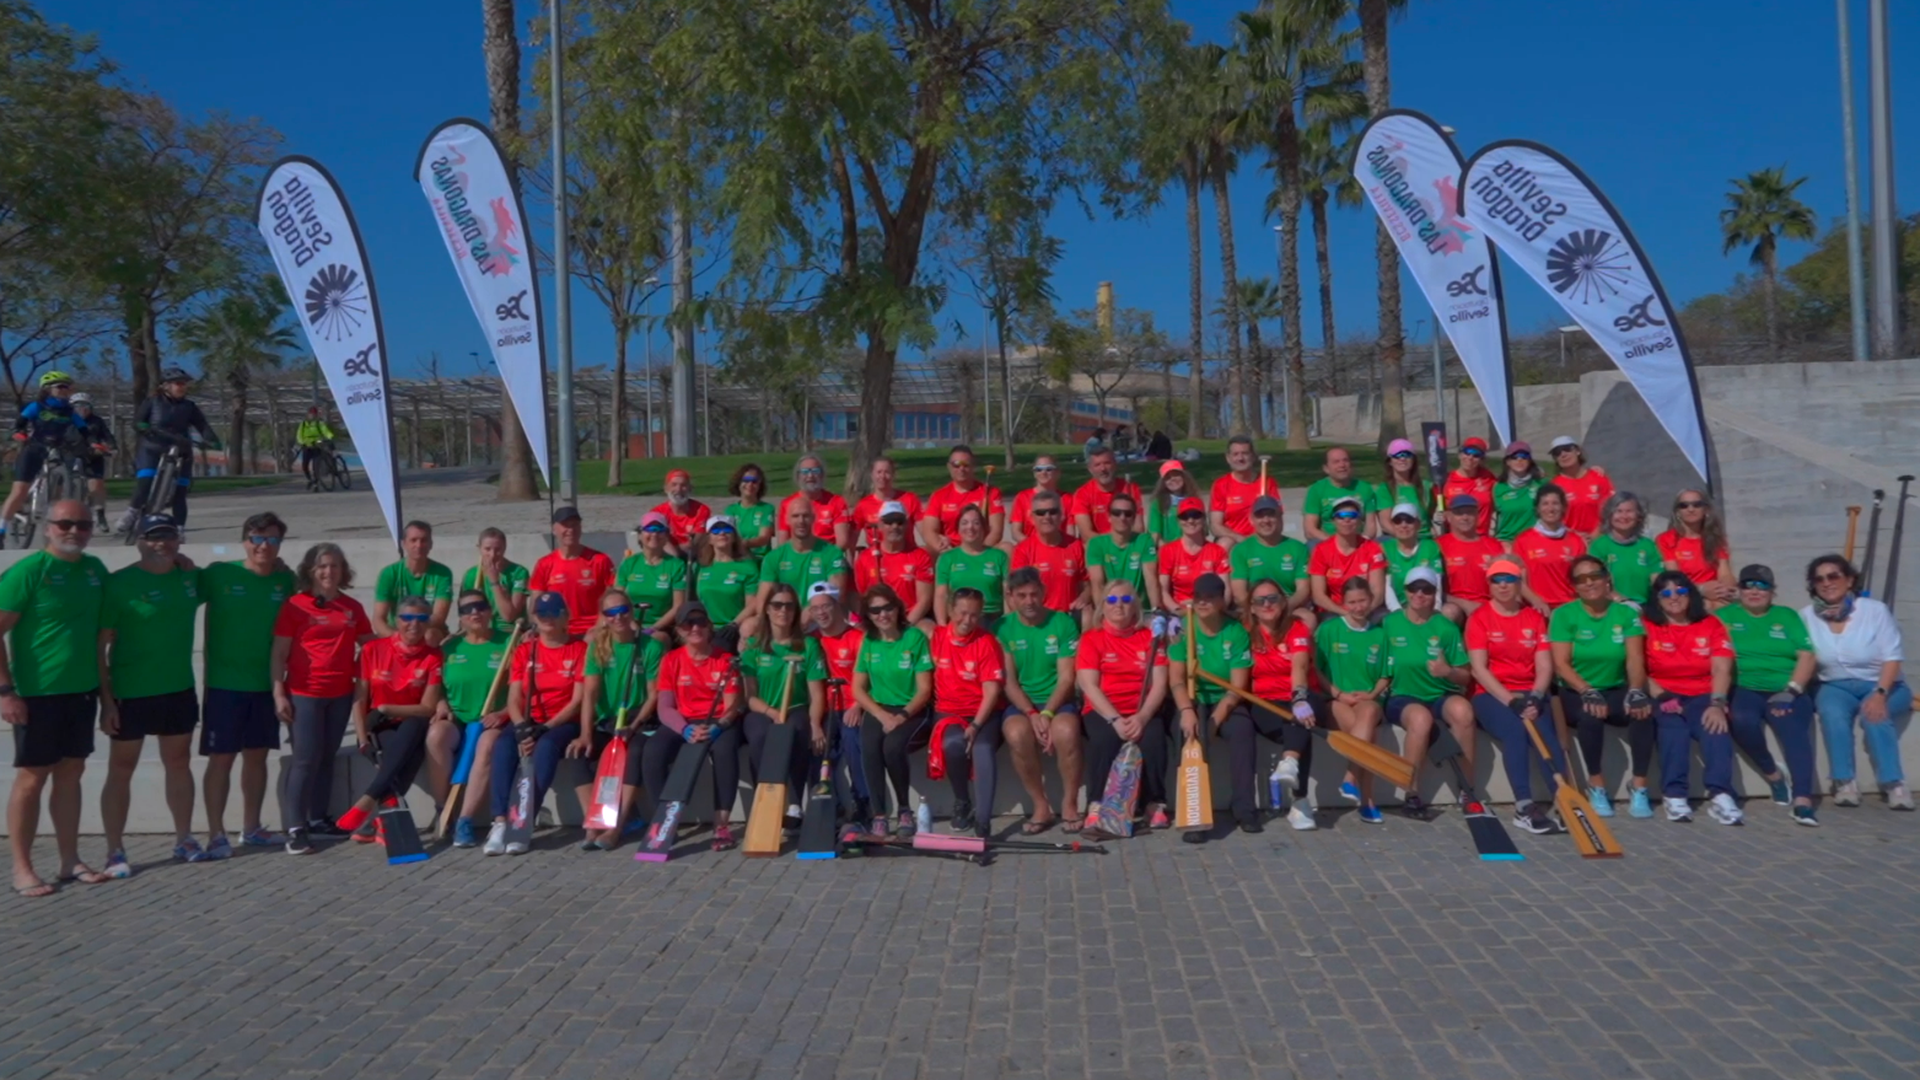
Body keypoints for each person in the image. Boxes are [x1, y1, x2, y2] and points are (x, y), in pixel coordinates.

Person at [2, 498, 110, 897]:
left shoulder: (95, 570)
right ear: (47, 527)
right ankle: (22, 868)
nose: (73, 531)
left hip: (81, 691)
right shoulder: (30, 571)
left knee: (71, 774)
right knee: (32, 778)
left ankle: (69, 860)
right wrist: (6, 692)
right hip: (36, 694)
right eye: (64, 523)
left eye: (82, 525)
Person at [97, 513, 205, 873]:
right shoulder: (119, 584)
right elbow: (100, 648)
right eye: (154, 537)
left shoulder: (190, 577)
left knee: (179, 763)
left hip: (178, 688)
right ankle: (115, 851)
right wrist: (107, 700)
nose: (163, 544)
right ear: (140, 542)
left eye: (169, 537)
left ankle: (184, 839)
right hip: (131, 691)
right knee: (121, 769)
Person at [197, 513, 295, 854]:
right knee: (221, 759)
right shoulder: (219, 574)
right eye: (256, 538)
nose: (263, 545)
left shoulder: (285, 581)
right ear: (244, 541)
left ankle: (251, 828)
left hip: (266, 685)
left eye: (271, 539)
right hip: (224, 685)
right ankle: (215, 833)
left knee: (256, 757)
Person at [271, 542, 375, 854]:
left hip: (340, 692)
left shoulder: (351, 608)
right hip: (304, 693)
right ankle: (295, 828)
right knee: (305, 759)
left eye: (335, 566)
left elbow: (369, 644)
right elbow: (278, 652)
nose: (329, 572)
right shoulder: (295, 605)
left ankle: (318, 819)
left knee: (327, 756)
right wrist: (279, 693)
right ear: (311, 570)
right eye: (323, 566)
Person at [1465, 555, 1569, 836]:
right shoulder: (1479, 619)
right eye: (1496, 580)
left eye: (1509, 580)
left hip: (1530, 692)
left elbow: (1544, 665)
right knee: (1515, 731)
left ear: (1518, 584)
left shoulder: (1533, 618)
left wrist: (1535, 696)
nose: (1502, 586)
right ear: (1489, 585)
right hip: (1492, 694)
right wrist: (1512, 701)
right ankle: (1524, 806)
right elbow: (1478, 669)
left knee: (1547, 735)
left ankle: (1564, 799)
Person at [332, 595, 446, 845]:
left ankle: (367, 801)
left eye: (421, 618)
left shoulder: (433, 657)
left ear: (428, 623)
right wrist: (362, 741)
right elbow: (359, 699)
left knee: (414, 730)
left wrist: (385, 706)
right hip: (380, 725)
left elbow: (427, 708)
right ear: (396, 620)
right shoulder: (373, 650)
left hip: (411, 721)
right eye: (407, 618)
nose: (413, 624)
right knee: (409, 752)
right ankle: (380, 822)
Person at [1800, 554, 1911, 810]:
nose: (1826, 583)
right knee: (1831, 713)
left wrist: (1880, 693)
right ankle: (1844, 781)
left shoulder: (1874, 610)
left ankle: (1894, 783)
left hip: (1884, 683)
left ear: (1849, 580)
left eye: (1833, 576)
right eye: (1819, 579)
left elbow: (1893, 657)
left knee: (1875, 715)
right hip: (1835, 685)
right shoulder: (1806, 617)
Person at [1548, 554, 1655, 819]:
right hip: (1575, 690)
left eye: (1595, 576)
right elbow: (1561, 664)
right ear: (1574, 586)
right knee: (1590, 716)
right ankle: (1596, 785)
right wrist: (1586, 690)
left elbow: (1635, 659)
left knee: (1643, 713)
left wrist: (1637, 690)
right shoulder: (1564, 615)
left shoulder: (1625, 614)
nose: (1589, 583)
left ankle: (1639, 786)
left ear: (1607, 579)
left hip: (1615, 687)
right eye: (1581, 579)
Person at [482, 591, 587, 855]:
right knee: (503, 746)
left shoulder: (579, 649)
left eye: (555, 613)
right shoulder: (526, 650)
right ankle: (500, 822)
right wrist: (519, 727)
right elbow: (515, 696)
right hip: (528, 718)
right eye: (542, 614)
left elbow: (576, 701)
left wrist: (545, 728)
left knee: (546, 748)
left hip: (561, 722)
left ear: (566, 617)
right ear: (535, 619)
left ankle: (523, 821)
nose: (548, 619)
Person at [1716, 565, 1819, 825]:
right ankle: (1773, 774)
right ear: (1738, 590)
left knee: (1794, 731)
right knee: (1740, 721)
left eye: (1762, 586)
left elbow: (1807, 655)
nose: (1754, 591)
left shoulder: (1787, 616)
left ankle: (1803, 800)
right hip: (1745, 687)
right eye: (1748, 585)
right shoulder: (1723, 616)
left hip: (1785, 688)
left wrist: (1792, 690)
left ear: (1772, 592)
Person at [637, 603, 745, 850]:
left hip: (718, 722)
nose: (695, 628)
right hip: (684, 721)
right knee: (652, 751)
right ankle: (663, 822)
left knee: (724, 751)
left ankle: (722, 825)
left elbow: (733, 707)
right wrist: (684, 729)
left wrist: (719, 726)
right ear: (680, 630)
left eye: (700, 622)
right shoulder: (672, 660)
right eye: (688, 623)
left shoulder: (725, 660)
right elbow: (664, 707)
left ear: (709, 627)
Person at [1641, 570, 1742, 825]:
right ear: (1657, 599)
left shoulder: (1710, 624)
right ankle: (1674, 795)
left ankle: (1720, 794)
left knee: (1715, 728)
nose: (1674, 597)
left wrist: (1718, 703)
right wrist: (1660, 694)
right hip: (1662, 693)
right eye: (1666, 593)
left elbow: (1721, 667)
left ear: (1691, 595)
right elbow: (1636, 668)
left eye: (1681, 591)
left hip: (1702, 694)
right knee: (1673, 729)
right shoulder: (1646, 625)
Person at [1076, 584, 1171, 835]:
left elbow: (1160, 684)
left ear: (1136, 606)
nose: (1119, 604)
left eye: (1126, 598)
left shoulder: (1150, 638)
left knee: (1153, 738)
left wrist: (1142, 716)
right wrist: (1115, 719)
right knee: (1103, 739)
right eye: (1112, 599)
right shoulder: (1091, 639)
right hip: (1104, 710)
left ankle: (1154, 802)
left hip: (1141, 709)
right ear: (1103, 606)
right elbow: (1089, 685)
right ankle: (1097, 804)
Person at [1381, 567, 1474, 818]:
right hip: (1402, 695)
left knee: (1463, 711)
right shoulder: (1390, 623)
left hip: (1438, 693)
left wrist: (1447, 672)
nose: (1419, 594)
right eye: (1414, 588)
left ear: (1435, 593)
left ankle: (1467, 790)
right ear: (1405, 592)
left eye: (1427, 589)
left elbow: (1465, 674)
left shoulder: (1445, 628)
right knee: (1420, 718)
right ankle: (1411, 793)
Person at [738, 583, 827, 847]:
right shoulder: (754, 647)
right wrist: (771, 711)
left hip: (797, 708)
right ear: (766, 610)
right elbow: (749, 695)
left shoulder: (808, 646)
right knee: (760, 736)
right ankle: (764, 802)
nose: (783, 610)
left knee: (797, 731)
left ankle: (794, 805)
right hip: (762, 709)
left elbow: (817, 694)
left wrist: (815, 724)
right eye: (777, 605)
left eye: (789, 605)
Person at [995, 569, 1083, 834]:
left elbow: (1067, 678)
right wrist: (1032, 713)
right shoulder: (1002, 627)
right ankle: (1040, 805)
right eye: (1022, 595)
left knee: (1066, 731)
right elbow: (1008, 681)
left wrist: (1047, 713)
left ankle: (1069, 803)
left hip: (1057, 700)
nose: (1029, 601)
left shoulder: (1063, 623)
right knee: (1016, 732)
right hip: (1022, 702)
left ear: (1044, 593)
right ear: (1011, 597)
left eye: (1034, 594)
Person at [1167, 574, 1253, 838]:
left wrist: (1216, 719)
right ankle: (1194, 816)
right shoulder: (1183, 629)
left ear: (1221, 600)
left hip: (1226, 698)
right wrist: (1187, 711)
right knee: (1189, 735)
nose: (1203, 603)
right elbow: (1177, 681)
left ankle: (1245, 810)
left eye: (1210, 597)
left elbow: (1237, 687)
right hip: (1193, 698)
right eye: (1198, 598)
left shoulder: (1235, 631)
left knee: (1242, 732)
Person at [578, 588, 664, 849]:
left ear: (631, 612)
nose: (618, 617)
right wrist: (585, 733)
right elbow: (590, 695)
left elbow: (653, 695)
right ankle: (594, 820)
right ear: (603, 617)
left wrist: (634, 725)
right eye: (611, 612)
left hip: (639, 719)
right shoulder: (598, 647)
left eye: (623, 610)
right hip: (608, 719)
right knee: (579, 754)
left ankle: (617, 825)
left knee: (635, 752)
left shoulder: (650, 646)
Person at [1236, 577, 1321, 831]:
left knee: (1302, 716)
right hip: (1263, 701)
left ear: (1284, 602)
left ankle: (1290, 763)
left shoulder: (1297, 628)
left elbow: (1300, 665)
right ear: (1251, 607)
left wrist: (1299, 697)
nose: (1267, 605)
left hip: (1299, 694)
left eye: (1273, 598)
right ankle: (1300, 801)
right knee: (1297, 725)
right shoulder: (1244, 631)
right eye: (1260, 601)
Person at [852, 584, 934, 836]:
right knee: (868, 746)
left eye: (887, 608)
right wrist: (880, 714)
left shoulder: (914, 638)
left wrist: (901, 716)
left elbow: (924, 690)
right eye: (875, 611)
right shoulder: (869, 641)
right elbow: (857, 688)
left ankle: (904, 809)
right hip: (881, 708)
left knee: (892, 746)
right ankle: (879, 814)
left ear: (898, 609)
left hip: (912, 709)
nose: (882, 615)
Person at [926, 588, 1006, 835]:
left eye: (974, 615)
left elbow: (992, 692)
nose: (967, 620)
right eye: (962, 613)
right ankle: (962, 801)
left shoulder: (986, 642)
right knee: (953, 744)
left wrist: (976, 726)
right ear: (950, 610)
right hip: (949, 711)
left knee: (982, 748)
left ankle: (983, 821)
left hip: (983, 713)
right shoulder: (936, 637)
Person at [1313, 578, 1390, 822]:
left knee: (1367, 713)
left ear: (1371, 601)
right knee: (1370, 736)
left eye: (1362, 601)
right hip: (1336, 699)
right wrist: (1338, 693)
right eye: (1352, 602)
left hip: (1368, 698)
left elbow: (1386, 674)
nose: (1358, 607)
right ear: (1343, 603)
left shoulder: (1380, 634)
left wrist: (1371, 694)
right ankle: (1367, 802)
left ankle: (1350, 776)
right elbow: (1316, 669)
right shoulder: (1329, 630)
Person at [443, 589, 515, 847]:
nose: (474, 612)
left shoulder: (509, 642)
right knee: (436, 737)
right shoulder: (449, 647)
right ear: (460, 618)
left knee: (486, 746)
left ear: (489, 610)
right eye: (466, 609)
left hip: (492, 719)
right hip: (458, 718)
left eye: (480, 606)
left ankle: (464, 819)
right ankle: (445, 808)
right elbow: (435, 687)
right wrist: (441, 703)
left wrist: (505, 712)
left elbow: (523, 689)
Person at [117, 366, 219, 533]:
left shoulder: (189, 406)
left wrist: (212, 440)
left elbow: (202, 425)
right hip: (152, 447)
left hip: (181, 450)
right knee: (145, 481)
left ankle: (179, 530)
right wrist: (143, 427)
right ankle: (132, 512)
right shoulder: (152, 402)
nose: (183, 387)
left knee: (181, 491)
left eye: (185, 384)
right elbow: (138, 421)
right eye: (178, 383)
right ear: (165, 386)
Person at [3, 372, 93, 544]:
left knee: (59, 489)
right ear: (47, 389)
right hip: (34, 449)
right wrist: (18, 433)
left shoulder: (69, 411)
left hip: (57, 448)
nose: (66, 390)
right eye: (60, 386)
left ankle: (52, 524)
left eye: (68, 387)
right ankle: (2, 528)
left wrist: (94, 443)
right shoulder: (37, 406)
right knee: (20, 491)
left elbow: (84, 430)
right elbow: (19, 424)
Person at [809, 583, 868, 822]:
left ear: (837, 606)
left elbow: (869, 679)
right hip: (826, 707)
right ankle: (826, 804)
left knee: (854, 740)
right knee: (816, 746)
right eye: (815, 608)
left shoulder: (858, 638)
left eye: (826, 606)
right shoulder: (811, 640)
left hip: (853, 705)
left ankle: (862, 801)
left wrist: (858, 705)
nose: (821, 613)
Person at [529, 506, 616, 636]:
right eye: (565, 525)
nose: (570, 530)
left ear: (580, 528)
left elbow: (614, 598)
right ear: (554, 529)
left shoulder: (600, 560)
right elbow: (535, 606)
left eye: (575, 525)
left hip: (592, 630)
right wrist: (537, 628)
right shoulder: (544, 564)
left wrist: (601, 625)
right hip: (558, 630)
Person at [758, 498, 852, 615]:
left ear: (814, 518)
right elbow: (763, 600)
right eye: (795, 516)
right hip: (786, 619)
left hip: (821, 619)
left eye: (806, 516)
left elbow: (836, 594)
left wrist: (805, 617)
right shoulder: (773, 557)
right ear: (787, 520)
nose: (801, 521)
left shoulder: (832, 553)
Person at [853, 502, 934, 628]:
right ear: (880, 525)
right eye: (889, 522)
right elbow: (862, 597)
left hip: (910, 619)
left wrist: (904, 626)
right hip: (877, 619)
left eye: (899, 522)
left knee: (930, 631)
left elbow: (924, 601)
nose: (895, 526)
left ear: (907, 524)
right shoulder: (865, 558)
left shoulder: (920, 556)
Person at [1010, 491, 1090, 618]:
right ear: (1032, 517)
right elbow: (1016, 593)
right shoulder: (1023, 550)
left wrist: (1084, 597)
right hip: (1038, 618)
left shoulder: (1075, 546)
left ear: (1061, 515)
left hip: (1068, 616)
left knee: (1088, 614)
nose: (1047, 517)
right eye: (1041, 513)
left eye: (1053, 512)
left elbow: (1086, 585)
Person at [1230, 495, 1310, 615]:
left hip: (1288, 606)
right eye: (1260, 516)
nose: (1266, 520)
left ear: (1280, 518)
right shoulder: (1241, 550)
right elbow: (1239, 593)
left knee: (1308, 619)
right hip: (1255, 608)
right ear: (1251, 520)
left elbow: (1303, 590)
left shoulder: (1298, 548)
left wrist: (1284, 607)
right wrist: (1258, 609)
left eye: (1271, 515)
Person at [373, 520, 454, 641]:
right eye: (413, 540)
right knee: (369, 648)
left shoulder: (442, 573)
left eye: (424, 540)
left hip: (427, 629)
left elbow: (438, 617)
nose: (419, 545)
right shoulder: (389, 573)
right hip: (398, 630)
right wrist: (400, 637)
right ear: (403, 543)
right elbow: (378, 619)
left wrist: (414, 631)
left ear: (431, 544)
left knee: (431, 636)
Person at [1308, 496, 1386, 619]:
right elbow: (1318, 595)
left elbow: (1378, 592)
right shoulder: (1321, 550)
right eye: (1341, 516)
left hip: (1366, 609)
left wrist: (1363, 612)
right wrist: (1347, 614)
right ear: (1333, 521)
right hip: (1334, 611)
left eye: (1353, 515)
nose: (1347, 520)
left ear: (1360, 521)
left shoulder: (1372, 548)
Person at [1513, 485, 1585, 614]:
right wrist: (1536, 601)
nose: (1550, 509)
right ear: (1538, 509)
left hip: (1569, 608)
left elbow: (1582, 579)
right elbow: (1518, 580)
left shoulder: (1576, 540)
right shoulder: (1523, 540)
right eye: (1545, 504)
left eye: (1555, 503)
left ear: (1563, 508)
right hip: (1537, 608)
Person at [934, 504, 1009, 627]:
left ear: (984, 528)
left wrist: (1008, 622)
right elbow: (941, 595)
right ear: (958, 528)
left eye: (976, 523)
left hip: (992, 617)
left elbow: (1008, 593)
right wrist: (942, 625)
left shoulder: (999, 556)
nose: (970, 527)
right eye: (964, 523)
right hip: (960, 618)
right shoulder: (947, 558)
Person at [617, 511, 688, 640]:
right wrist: (632, 625)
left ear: (666, 536)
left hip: (662, 628)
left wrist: (653, 628)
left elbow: (678, 605)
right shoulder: (629, 563)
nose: (654, 534)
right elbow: (617, 599)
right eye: (649, 529)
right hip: (628, 624)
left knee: (657, 641)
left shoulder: (676, 565)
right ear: (640, 535)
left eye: (660, 529)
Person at [1087, 493, 1162, 615]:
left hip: (1139, 610)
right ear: (1109, 516)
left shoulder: (1144, 540)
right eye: (1117, 513)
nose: (1122, 517)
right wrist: (1103, 615)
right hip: (1111, 609)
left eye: (1128, 514)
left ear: (1133, 518)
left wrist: (1156, 611)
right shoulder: (1096, 544)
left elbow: (1151, 580)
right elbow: (1098, 584)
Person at [1658, 489, 1735, 606]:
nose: (1691, 509)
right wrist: (1702, 589)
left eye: (1697, 504)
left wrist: (1725, 589)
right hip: (1683, 595)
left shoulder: (1716, 538)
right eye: (1684, 505)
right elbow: (1675, 579)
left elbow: (1725, 574)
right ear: (1677, 512)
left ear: (1706, 509)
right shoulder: (1666, 539)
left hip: (1716, 595)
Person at [696, 516, 762, 651]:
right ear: (709, 538)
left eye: (727, 529)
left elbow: (753, 603)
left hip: (734, 628)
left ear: (733, 537)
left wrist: (734, 625)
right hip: (705, 628)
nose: (722, 533)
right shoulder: (701, 567)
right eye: (715, 530)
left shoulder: (747, 567)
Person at [1436, 493, 1505, 621]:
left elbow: (1503, 581)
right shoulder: (1439, 546)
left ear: (1478, 516)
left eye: (1470, 512)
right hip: (1455, 606)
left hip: (1488, 606)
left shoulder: (1493, 546)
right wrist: (1465, 604)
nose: (1465, 517)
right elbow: (1434, 589)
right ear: (1449, 517)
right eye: (1459, 513)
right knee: (1449, 612)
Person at [923, 444, 1004, 552]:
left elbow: (996, 531)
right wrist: (942, 547)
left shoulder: (991, 492)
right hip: (950, 549)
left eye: (966, 465)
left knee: (1006, 547)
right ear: (949, 467)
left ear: (973, 466)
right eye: (956, 465)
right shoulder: (939, 496)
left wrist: (978, 551)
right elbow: (929, 531)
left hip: (981, 548)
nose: (961, 469)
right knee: (926, 550)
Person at [1586, 492, 1662, 607]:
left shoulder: (1648, 545)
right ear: (1609, 515)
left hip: (1644, 606)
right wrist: (1621, 600)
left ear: (1638, 516)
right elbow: (1594, 582)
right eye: (1619, 511)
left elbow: (1657, 579)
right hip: (1612, 606)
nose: (1624, 516)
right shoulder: (1599, 546)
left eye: (1629, 511)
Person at [1208, 436, 1280, 548]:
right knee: (1224, 543)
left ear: (1253, 457)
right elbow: (1215, 525)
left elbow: (1278, 517)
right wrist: (1240, 538)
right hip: (1234, 539)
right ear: (1228, 458)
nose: (1240, 458)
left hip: (1262, 538)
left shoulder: (1267, 482)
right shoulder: (1221, 485)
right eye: (1235, 454)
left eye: (1245, 453)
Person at [1159, 496, 1229, 609]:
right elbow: (1162, 590)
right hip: (1180, 610)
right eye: (1185, 517)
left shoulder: (1217, 551)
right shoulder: (1168, 550)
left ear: (1203, 519)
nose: (1190, 521)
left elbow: (1226, 591)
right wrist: (1177, 610)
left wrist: (1215, 612)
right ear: (1178, 521)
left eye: (1196, 515)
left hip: (1209, 609)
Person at [459, 527, 529, 633]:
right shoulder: (471, 575)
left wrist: (494, 581)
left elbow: (509, 616)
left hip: (508, 630)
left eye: (498, 550)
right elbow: (465, 614)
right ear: (479, 548)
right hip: (480, 629)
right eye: (487, 549)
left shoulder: (519, 573)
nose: (492, 555)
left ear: (504, 548)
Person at [1303, 447, 1379, 542]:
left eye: (1345, 460)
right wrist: (1335, 545)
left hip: (1358, 541)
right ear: (1326, 469)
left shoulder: (1365, 488)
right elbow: (1310, 529)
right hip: (1326, 541)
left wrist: (1361, 543)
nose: (1342, 465)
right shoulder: (1316, 490)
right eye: (1336, 462)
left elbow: (1371, 526)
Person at [1380, 503, 1445, 612]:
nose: (1403, 525)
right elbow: (1387, 587)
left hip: (1426, 607)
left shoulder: (1430, 547)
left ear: (1418, 524)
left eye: (1409, 520)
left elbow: (1437, 582)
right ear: (1392, 524)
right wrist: (1398, 613)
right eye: (1398, 520)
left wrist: (1436, 609)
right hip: (1395, 608)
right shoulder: (1385, 549)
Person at [777, 454, 852, 549]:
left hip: (827, 556)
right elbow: (783, 543)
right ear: (798, 476)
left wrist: (824, 558)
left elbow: (842, 542)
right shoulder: (787, 504)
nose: (810, 476)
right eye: (805, 472)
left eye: (815, 471)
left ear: (822, 475)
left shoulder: (836, 502)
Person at [851, 457, 923, 549]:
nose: (882, 476)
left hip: (906, 555)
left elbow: (926, 533)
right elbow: (852, 540)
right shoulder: (863, 505)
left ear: (893, 475)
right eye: (879, 472)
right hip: (876, 557)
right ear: (872, 475)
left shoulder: (910, 499)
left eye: (887, 472)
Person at [1548, 436, 1613, 538]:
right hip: (1568, 541)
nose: (1563, 454)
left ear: (1577, 451)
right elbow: (1551, 518)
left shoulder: (1599, 477)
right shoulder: (1553, 486)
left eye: (1567, 449)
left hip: (1599, 540)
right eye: (1557, 453)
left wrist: (1595, 535)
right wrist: (1575, 537)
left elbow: (1611, 509)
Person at [67, 393, 114, 529]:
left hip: (92, 455)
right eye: (77, 406)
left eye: (85, 405)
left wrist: (111, 447)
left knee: (96, 485)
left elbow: (107, 436)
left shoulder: (97, 421)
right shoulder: (66, 421)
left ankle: (100, 515)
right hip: (70, 455)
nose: (82, 409)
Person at [1073, 447, 1141, 538]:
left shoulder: (1131, 489)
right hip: (1098, 547)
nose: (1103, 469)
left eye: (1107, 463)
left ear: (1115, 464)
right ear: (1090, 469)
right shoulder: (1082, 494)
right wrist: (1112, 546)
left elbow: (1138, 528)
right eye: (1097, 465)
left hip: (1127, 546)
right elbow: (1086, 534)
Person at [1374, 438, 1432, 537]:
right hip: (1398, 539)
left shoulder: (1427, 486)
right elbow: (1385, 523)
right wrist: (1406, 539)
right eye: (1397, 455)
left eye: (1407, 455)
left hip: (1425, 538)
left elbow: (1433, 516)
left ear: (1413, 460)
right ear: (1390, 461)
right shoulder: (1385, 489)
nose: (1402, 458)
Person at [1490, 441, 1545, 546]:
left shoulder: (1541, 483)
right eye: (1514, 457)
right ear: (1507, 461)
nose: (1519, 460)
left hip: (1534, 541)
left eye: (1524, 456)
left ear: (1530, 460)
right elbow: (1494, 517)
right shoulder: (1498, 487)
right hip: (1506, 542)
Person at [1440, 436, 1496, 537]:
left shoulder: (1488, 478)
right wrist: (1442, 513)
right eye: (1467, 452)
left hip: (1481, 537)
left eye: (1476, 455)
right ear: (1460, 455)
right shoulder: (1446, 480)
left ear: (1481, 460)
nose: (1470, 458)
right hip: (1455, 537)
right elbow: (1440, 506)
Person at [648, 469, 710, 557]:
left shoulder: (701, 510)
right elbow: (661, 541)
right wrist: (675, 557)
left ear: (690, 489)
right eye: (674, 485)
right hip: (668, 555)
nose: (678, 489)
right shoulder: (657, 513)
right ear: (666, 489)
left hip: (694, 554)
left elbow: (696, 542)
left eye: (683, 485)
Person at [1008, 455, 1067, 547]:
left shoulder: (1067, 498)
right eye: (1038, 469)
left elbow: (1070, 532)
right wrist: (1036, 547)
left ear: (1057, 473)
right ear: (1034, 473)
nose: (1043, 472)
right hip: (1030, 547)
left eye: (1049, 469)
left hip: (1059, 547)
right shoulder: (1022, 497)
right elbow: (1016, 532)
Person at [1146, 459, 1202, 545]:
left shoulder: (1194, 501)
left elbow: (1201, 532)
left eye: (1176, 475)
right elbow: (1155, 535)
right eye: (1168, 477)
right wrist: (1169, 551)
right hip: (1166, 548)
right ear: (1163, 482)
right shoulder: (1158, 503)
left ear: (1184, 477)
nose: (1173, 479)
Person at [726, 462, 778, 554]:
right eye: (746, 480)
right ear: (739, 483)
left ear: (759, 485)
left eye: (754, 481)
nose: (750, 484)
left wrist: (744, 543)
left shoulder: (767, 509)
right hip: (739, 557)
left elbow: (764, 538)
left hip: (759, 557)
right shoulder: (731, 510)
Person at [295, 406, 336, 491]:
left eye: (314, 414)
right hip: (306, 446)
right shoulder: (303, 424)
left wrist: (330, 437)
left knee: (315, 466)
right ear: (308, 414)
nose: (312, 416)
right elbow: (299, 435)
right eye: (311, 414)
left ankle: (316, 484)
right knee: (305, 465)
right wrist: (302, 442)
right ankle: (310, 480)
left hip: (317, 445)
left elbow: (325, 431)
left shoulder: (319, 423)